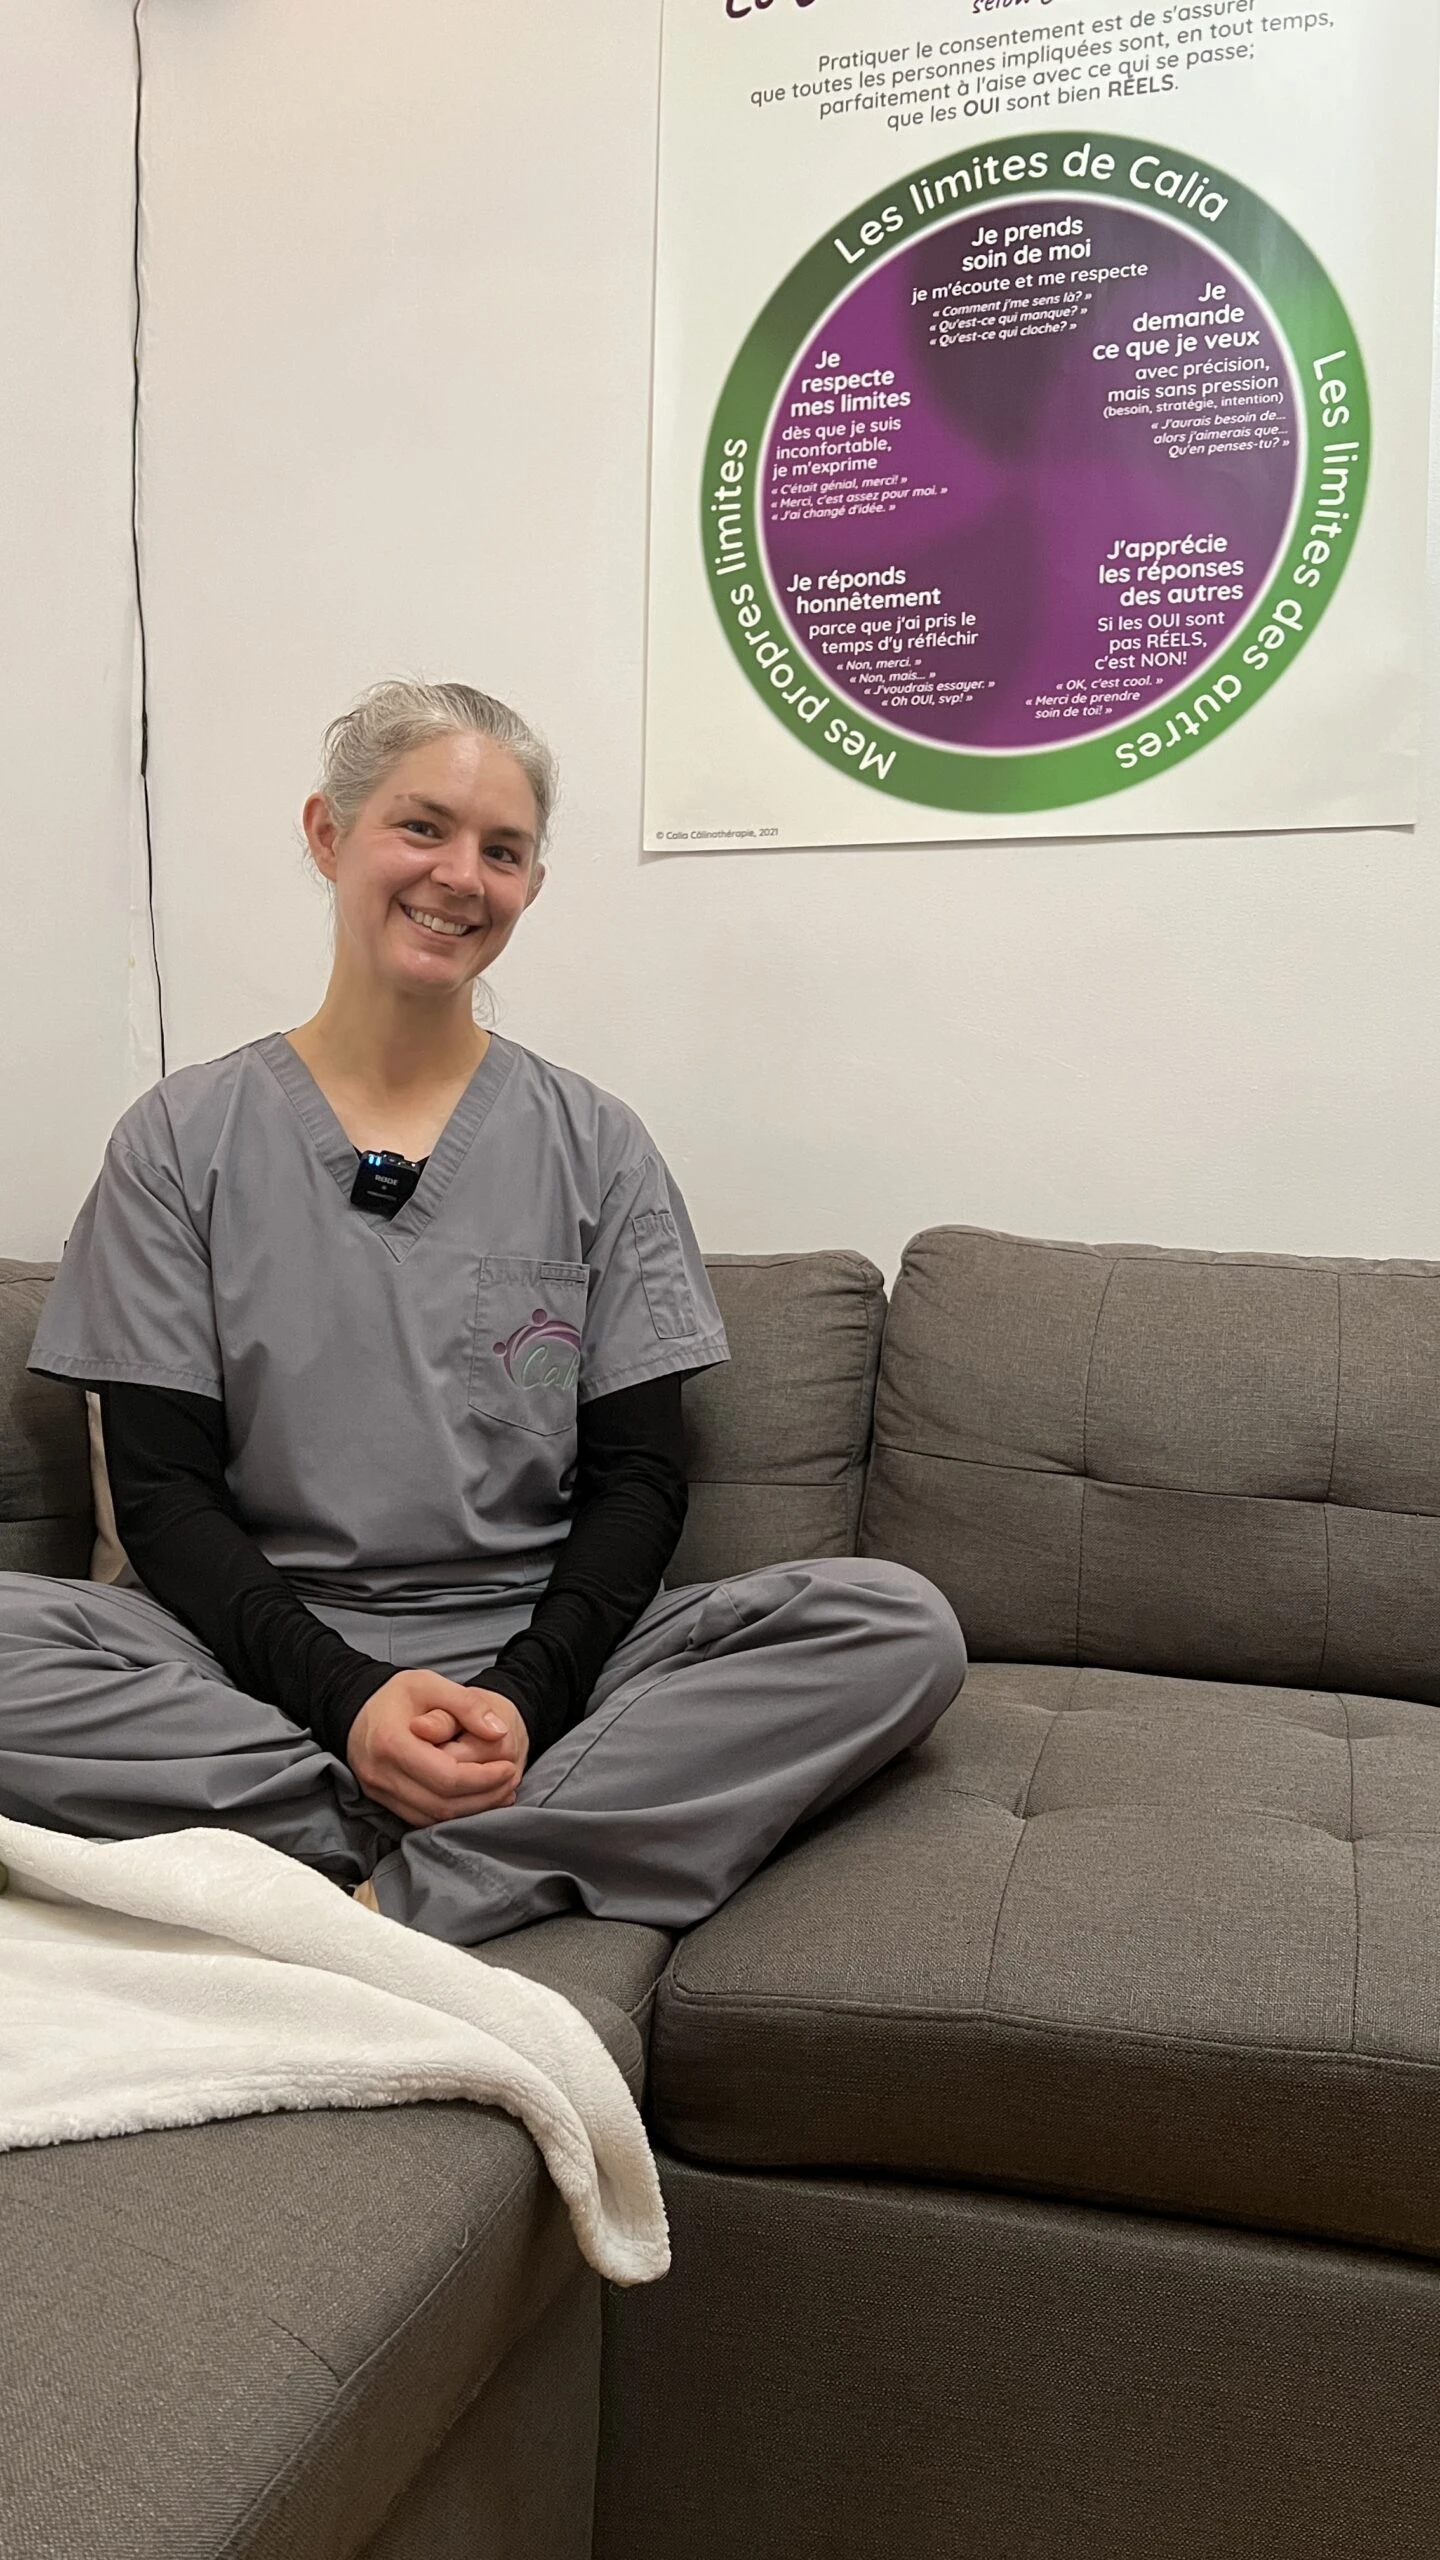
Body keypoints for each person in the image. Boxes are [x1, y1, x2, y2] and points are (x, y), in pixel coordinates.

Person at [0, 680, 966, 1947]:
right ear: (329, 834)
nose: (461, 876)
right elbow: (162, 1495)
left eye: (503, 851)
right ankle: (415, 1826)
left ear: (531, 886)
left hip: (535, 1651)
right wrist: (352, 1703)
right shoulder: (179, 1142)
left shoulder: (597, 1145)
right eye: (423, 827)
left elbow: (638, 1481)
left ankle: (403, 1875)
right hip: (251, 1656)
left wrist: (525, 1696)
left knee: (895, 1623)